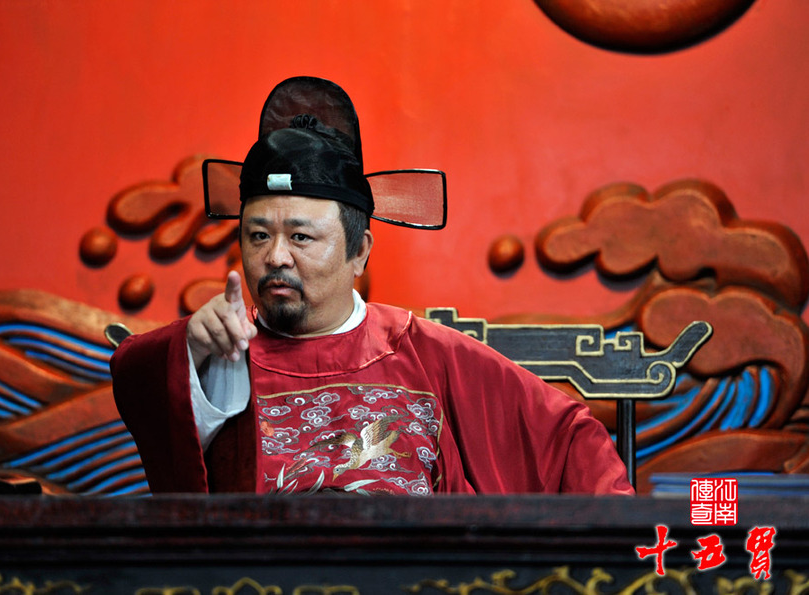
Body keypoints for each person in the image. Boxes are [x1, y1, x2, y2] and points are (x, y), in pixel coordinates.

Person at [110, 76, 634, 496]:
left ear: (359, 251)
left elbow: (568, 438)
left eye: (301, 237)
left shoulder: (427, 354)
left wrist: (628, 562)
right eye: (258, 235)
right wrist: (193, 347)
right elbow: (143, 386)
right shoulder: (223, 358)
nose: (275, 257)